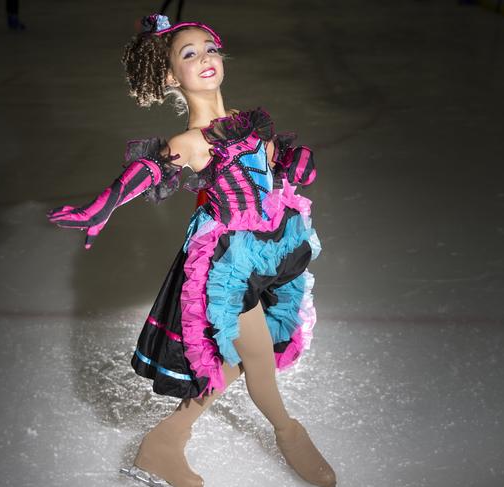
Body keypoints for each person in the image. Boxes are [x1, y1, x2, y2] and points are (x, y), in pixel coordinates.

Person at [46, 13, 336, 487]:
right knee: (257, 360)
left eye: (209, 48)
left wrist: (293, 164)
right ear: (169, 77)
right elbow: (149, 172)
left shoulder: (251, 123)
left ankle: (162, 444)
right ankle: (288, 432)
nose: (204, 58)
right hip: (226, 265)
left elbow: (273, 170)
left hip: (270, 247)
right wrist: (101, 207)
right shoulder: (191, 142)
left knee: (235, 359)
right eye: (188, 53)